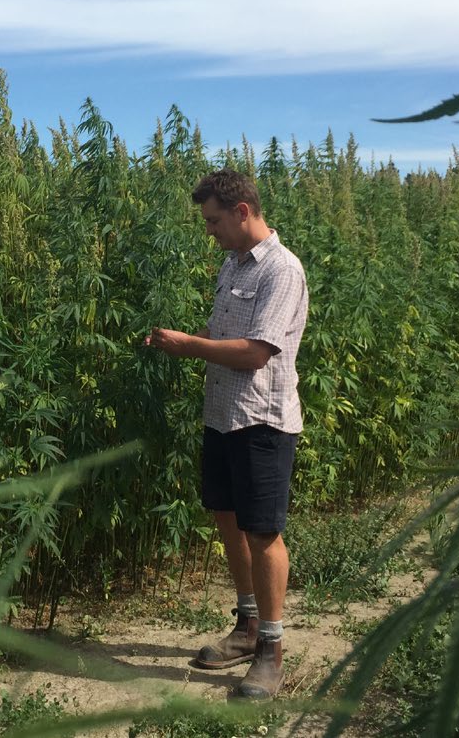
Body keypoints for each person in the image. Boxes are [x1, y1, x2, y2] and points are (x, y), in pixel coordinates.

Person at [146, 168, 308, 700]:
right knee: (227, 518)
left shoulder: (281, 271)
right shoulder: (232, 263)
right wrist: (183, 339)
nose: (209, 230)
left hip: (262, 419)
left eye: (214, 220)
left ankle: (271, 651)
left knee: (263, 532)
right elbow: (224, 331)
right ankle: (246, 622)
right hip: (221, 414)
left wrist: (190, 346)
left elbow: (257, 351)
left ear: (242, 212)